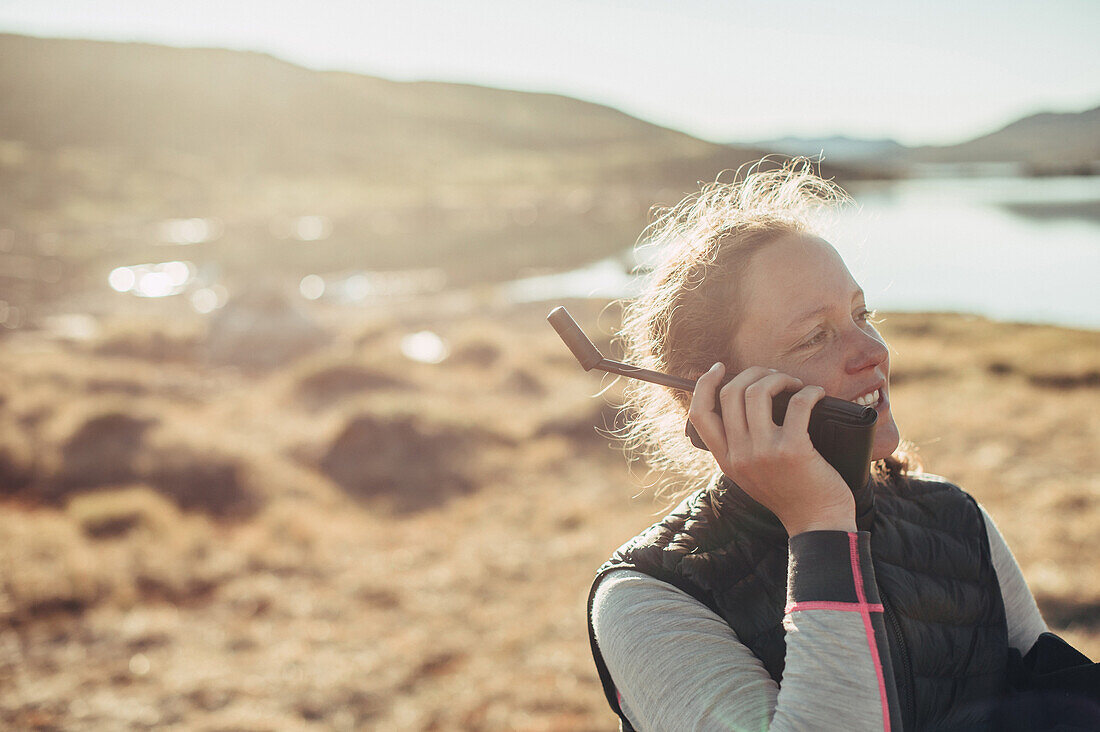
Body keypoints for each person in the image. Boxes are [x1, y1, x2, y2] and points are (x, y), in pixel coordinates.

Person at [585, 158, 1052, 731]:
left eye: (863, 314)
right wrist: (822, 530)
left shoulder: (956, 516)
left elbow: (1056, 699)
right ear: (713, 397)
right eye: (815, 337)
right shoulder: (649, 600)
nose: (873, 353)